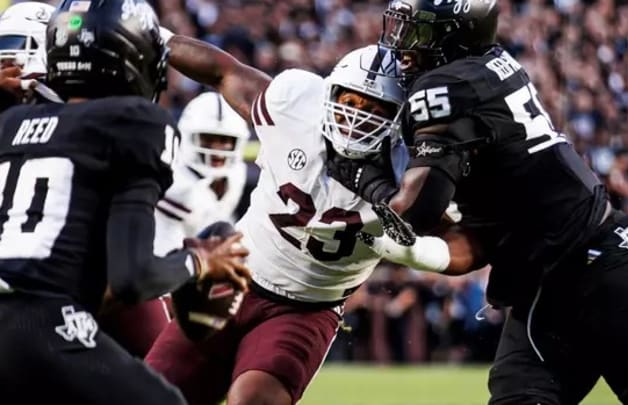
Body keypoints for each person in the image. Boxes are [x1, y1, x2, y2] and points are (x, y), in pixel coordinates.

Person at [332, 0, 628, 403]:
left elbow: (418, 211)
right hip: (556, 280)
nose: (403, 47)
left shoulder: (447, 84)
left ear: (456, 34)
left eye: (420, 33)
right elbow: (475, 236)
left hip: (603, 265)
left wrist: (363, 176)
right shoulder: (487, 68)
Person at [144, 32, 431, 404]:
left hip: (306, 307)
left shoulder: (414, 173)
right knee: (151, 394)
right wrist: (151, 34)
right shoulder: (296, 106)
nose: (358, 118)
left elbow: (469, 239)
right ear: (329, 94)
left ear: (399, 120)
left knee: (254, 398)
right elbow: (222, 72)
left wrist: (425, 253)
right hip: (235, 276)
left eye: (376, 110)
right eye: (350, 102)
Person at [0, 0, 250, 403]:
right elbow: (132, 279)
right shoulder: (133, 123)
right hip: (43, 320)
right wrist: (201, 261)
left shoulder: (10, 124)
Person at [154, 91, 255, 256]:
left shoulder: (236, 172)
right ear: (188, 136)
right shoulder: (175, 183)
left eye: (225, 141)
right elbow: (165, 251)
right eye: (208, 139)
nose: (217, 151)